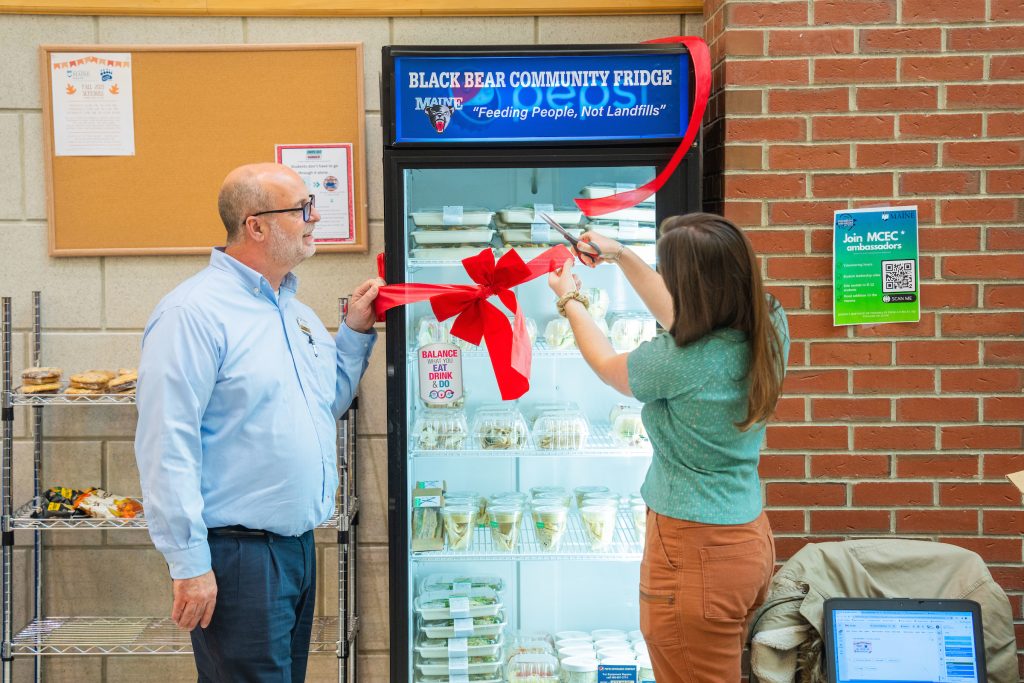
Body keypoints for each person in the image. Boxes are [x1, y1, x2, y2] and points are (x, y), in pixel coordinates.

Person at [135, 162, 383, 682]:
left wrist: (355, 334)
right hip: (236, 558)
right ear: (256, 225)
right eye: (303, 209)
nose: (315, 219)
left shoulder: (294, 312)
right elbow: (166, 444)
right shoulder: (192, 313)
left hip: (294, 551)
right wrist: (189, 564)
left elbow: (324, 404)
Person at [547, 212, 790, 683]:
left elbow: (607, 365)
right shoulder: (769, 323)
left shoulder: (679, 362)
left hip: (693, 554)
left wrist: (570, 299)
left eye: (672, 277)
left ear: (693, 291)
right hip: (746, 542)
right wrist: (618, 253)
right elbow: (680, 313)